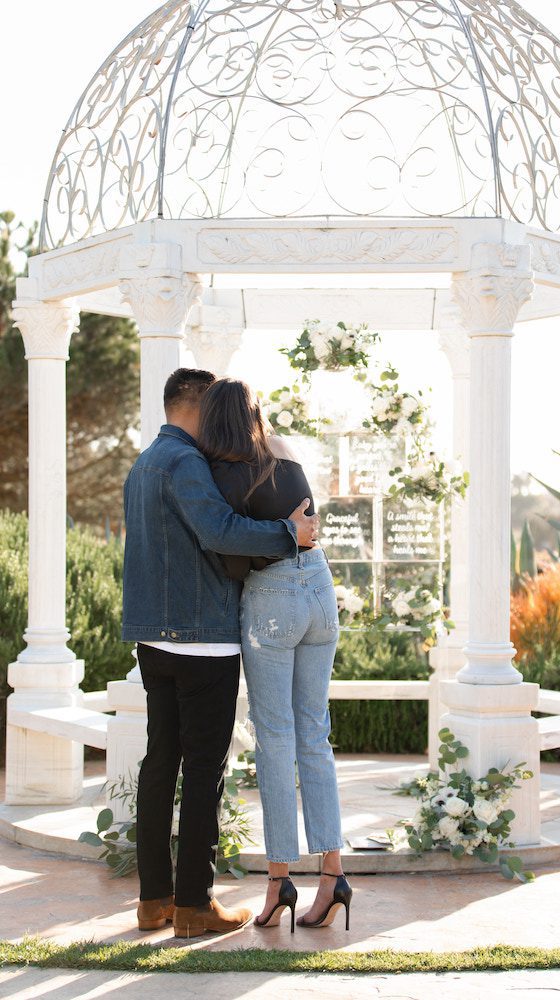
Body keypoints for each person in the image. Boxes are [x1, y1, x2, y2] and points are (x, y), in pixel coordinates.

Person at [122, 368, 320, 940]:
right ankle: (194, 905)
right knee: (204, 769)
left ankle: (153, 901)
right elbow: (220, 530)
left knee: (160, 764)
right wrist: (290, 535)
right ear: (197, 405)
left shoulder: (143, 463)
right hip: (200, 636)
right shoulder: (185, 463)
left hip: (153, 639)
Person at [198, 377, 352, 933]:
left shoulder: (221, 471)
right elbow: (306, 523)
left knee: (276, 739)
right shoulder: (284, 451)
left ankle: (278, 881)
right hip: (320, 590)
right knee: (315, 733)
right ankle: (333, 877)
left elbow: (225, 538)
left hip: (273, 601)